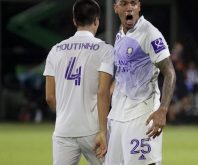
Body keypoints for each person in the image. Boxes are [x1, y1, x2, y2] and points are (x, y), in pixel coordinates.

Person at [105, 0, 176, 164]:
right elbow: (123, 73)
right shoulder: (121, 34)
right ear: (116, 8)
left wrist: (163, 110)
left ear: (139, 7)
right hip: (117, 116)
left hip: (141, 116)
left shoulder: (150, 33)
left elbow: (170, 73)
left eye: (134, 3)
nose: (129, 7)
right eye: (124, 3)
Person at [43, 0, 113, 164]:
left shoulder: (55, 50)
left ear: (74, 21)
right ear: (96, 21)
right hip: (93, 129)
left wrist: (66, 114)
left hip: (63, 130)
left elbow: (49, 97)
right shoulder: (105, 50)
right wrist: (103, 131)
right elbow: (103, 93)